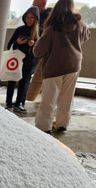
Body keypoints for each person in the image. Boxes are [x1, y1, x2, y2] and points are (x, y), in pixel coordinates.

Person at [33, 0, 90, 133]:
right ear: (72, 7)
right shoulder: (80, 24)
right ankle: (62, 124)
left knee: (49, 99)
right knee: (67, 98)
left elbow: (38, 51)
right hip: (74, 64)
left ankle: (43, 127)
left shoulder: (53, 27)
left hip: (54, 66)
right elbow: (87, 35)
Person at [5, 6, 40, 113]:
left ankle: (19, 104)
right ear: (24, 18)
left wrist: (33, 45)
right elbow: (9, 46)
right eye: (27, 17)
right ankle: (9, 103)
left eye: (32, 18)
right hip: (16, 60)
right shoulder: (19, 29)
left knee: (24, 83)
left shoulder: (40, 31)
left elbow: (41, 51)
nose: (29, 20)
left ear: (36, 19)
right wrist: (17, 43)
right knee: (11, 80)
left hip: (30, 62)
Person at [26, 0, 53, 101]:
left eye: (35, 4)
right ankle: (31, 97)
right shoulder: (35, 14)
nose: (33, 5)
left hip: (42, 49)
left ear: (43, 3)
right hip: (35, 47)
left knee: (36, 73)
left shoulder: (48, 15)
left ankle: (29, 97)